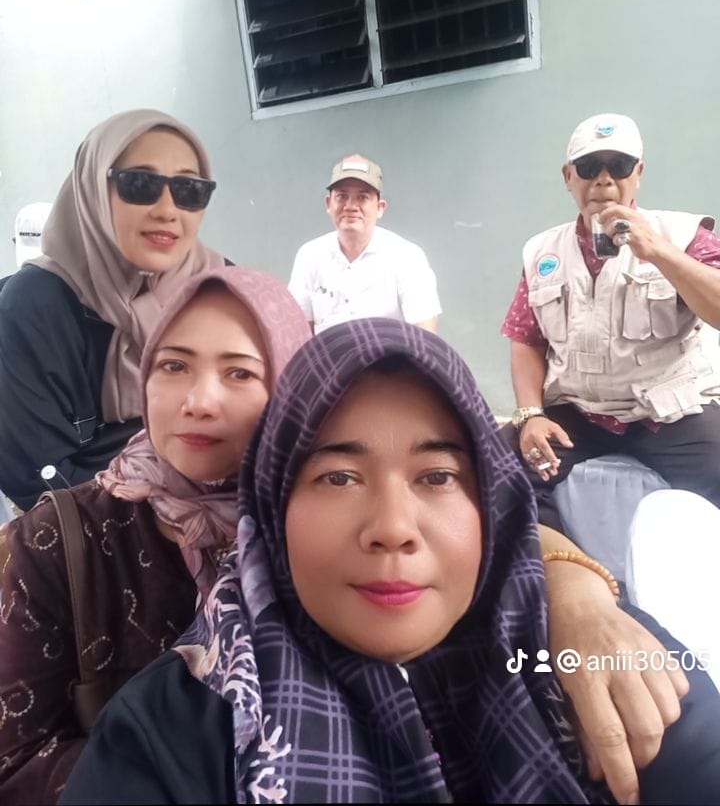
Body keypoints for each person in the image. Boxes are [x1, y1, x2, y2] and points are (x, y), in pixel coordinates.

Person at [61, 320, 720, 805]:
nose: (393, 529)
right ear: (272, 507)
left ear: (492, 502)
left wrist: (574, 591)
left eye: (437, 476)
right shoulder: (173, 732)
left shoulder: (593, 655)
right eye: (338, 478)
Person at [0, 266, 311, 805]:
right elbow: (14, 760)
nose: (199, 401)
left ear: (289, 390)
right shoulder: (59, 540)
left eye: (240, 373)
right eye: (174, 365)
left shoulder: (316, 533)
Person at [502, 112, 720, 530]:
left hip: (672, 413)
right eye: (588, 167)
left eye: (618, 166)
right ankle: (556, 560)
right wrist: (530, 415)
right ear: (568, 176)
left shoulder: (683, 234)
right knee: (499, 470)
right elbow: (526, 338)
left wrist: (658, 251)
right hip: (581, 412)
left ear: (638, 173)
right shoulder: (543, 252)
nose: (603, 180)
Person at [0, 110, 226, 511]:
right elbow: (36, 478)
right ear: (92, 189)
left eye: (189, 189)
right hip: (89, 530)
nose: (168, 209)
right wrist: (176, 510)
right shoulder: (37, 304)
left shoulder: (223, 288)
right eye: (139, 184)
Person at [288, 153, 441, 333]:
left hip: (389, 352)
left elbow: (425, 338)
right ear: (329, 204)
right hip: (326, 352)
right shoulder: (309, 256)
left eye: (362, 197)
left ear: (380, 208)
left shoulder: (407, 257)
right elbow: (298, 333)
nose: (350, 206)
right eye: (342, 196)